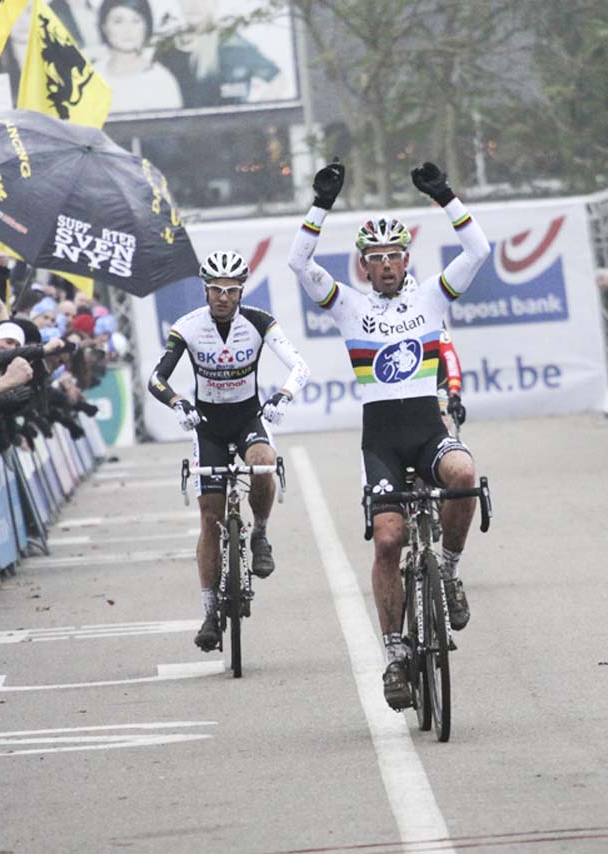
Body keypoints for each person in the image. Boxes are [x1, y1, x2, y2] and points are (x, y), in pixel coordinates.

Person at [288, 159, 489, 711]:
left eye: (393, 257)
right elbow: (297, 261)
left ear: (406, 260)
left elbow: (479, 253)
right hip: (379, 440)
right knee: (388, 541)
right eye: (374, 259)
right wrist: (320, 205)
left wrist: (445, 195)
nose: (384, 266)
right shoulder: (347, 305)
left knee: (464, 476)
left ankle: (447, 572)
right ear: (363, 266)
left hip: (427, 428)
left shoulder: (430, 297)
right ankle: (396, 654)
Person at [147, 250, 309, 653]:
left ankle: (261, 534)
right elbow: (156, 378)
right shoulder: (187, 327)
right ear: (205, 290)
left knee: (264, 463)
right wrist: (178, 403)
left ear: (241, 291)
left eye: (231, 290)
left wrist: (284, 397)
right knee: (210, 518)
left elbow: (299, 367)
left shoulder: (258, 322)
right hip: (208, 427)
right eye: (216, 290)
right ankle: (208, 612)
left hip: (247, 418)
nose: (223, 297)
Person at [156, 0, 285, 109]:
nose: (193, 5)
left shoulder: (230, 43)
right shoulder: (167, 49)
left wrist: (254, 119)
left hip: (228, 136)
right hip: (182, 135)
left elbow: (277, 79)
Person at [95, 0, 183, 113]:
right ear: (104, 27)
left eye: (136, 21)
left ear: (146, 27)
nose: (127, 30)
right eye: (118, 21)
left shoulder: (161, 81)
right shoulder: (90, 78)